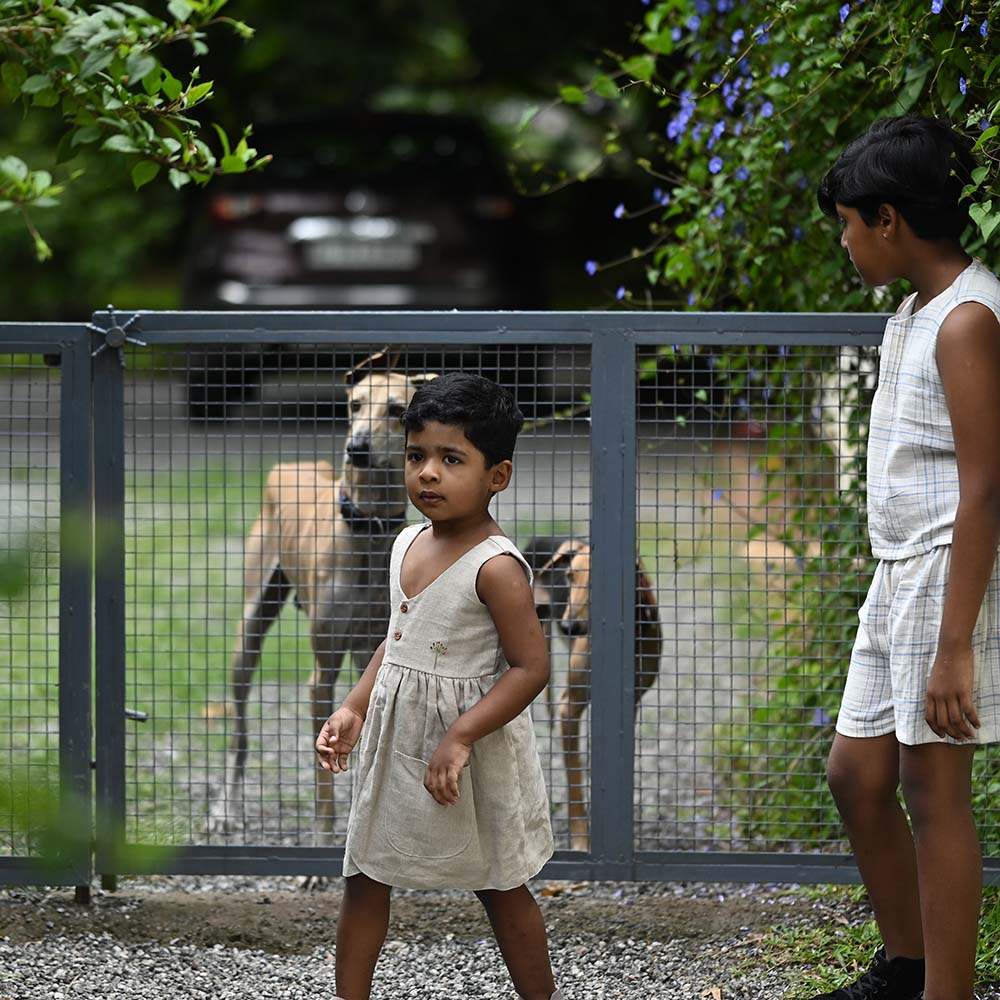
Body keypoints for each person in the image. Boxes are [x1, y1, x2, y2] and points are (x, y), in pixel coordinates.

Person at [812, 114, 1000, 1000]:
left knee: (934, 793)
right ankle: (908, 964)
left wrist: (955, 640)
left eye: (848, 223)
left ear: (887, 219)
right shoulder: (912, 313)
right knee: (857, 774)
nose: (845, 242)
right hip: (898, 574)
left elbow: (987, 486)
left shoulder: (968, 318)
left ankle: (946, 992)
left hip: (943, 574)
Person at [315, 372, 561, 1000]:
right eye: (417, 455)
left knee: (500, 883)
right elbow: (398, 642)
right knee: (365, 874)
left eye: (452, 459)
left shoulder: (497, 567)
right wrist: (353, 705)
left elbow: (532, 668)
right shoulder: (405, 543)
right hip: (397, 744)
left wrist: (461, 735)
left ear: (496, 476)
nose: (428, 473)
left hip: (470, 752)